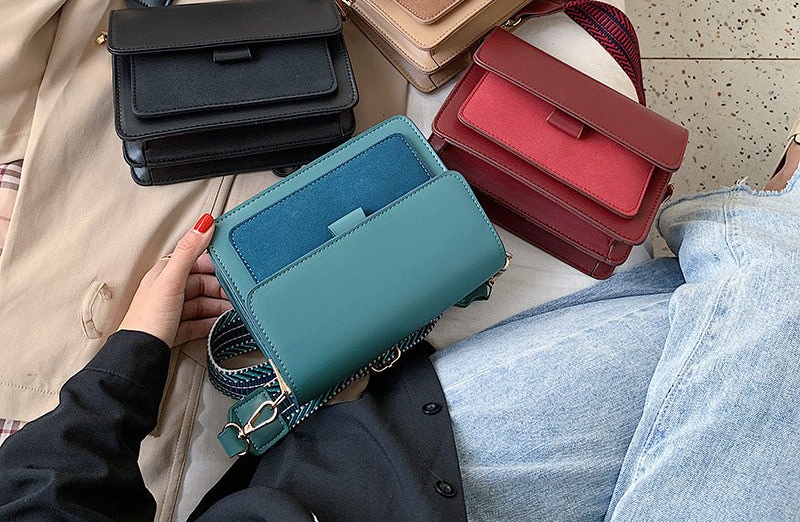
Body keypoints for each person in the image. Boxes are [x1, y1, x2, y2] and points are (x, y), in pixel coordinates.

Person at [1, 126, 799, 522]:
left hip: (408, 480)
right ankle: (768, 223)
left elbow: (47, 490)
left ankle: (772, 230)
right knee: (768, 324)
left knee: (756, 329)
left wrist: (134, 350)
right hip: (408, 473)